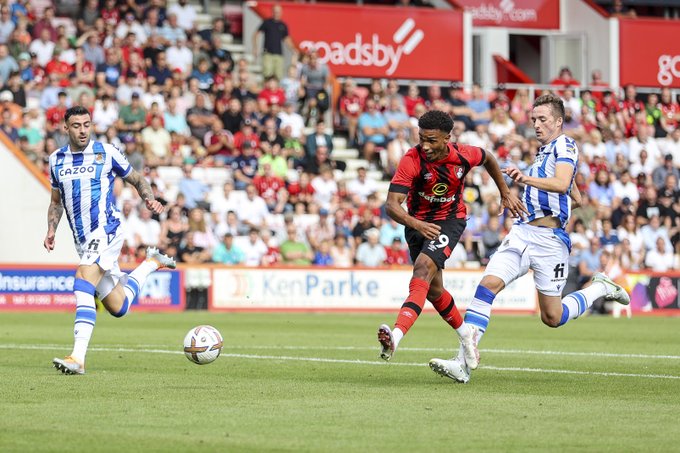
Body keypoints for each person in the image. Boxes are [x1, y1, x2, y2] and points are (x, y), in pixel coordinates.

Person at [441, 94, 631, 383]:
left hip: (550, 242)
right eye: (533, 120)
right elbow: (574, 195)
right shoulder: (544, 152)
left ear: (558, 121)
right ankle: (462, 363)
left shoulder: (565, 145)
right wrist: (538, 204)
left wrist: (525, 180)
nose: (537, 125)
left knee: (552, 317)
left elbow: (562, 184)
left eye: (543, 119)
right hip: (522, 232)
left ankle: (599, 288)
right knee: (487, 286)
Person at [376, 109, 526, 369]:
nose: (425, 145)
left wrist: (504, 192)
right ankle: (466, 335)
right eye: (421, 138)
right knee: (434, 291)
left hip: (449, 221)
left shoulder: (463, 155)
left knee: (422, 269)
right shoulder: (412, 159)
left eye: (431, 140)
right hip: (418, 225)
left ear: (447, 138)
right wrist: (417, 224)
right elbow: (391, 205)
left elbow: (489, 158)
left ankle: (396, 337)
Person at [44, 106, 176, 375]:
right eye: (77, 125)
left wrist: (149, 197)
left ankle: (78, 358)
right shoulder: (56, 159)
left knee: (82, 279)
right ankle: (151, 263)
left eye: (87, 124)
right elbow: (55, 203)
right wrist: (51, 230)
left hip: (106, 229)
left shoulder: (107, 152)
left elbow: (137, 179)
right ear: (65, 128)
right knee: (119, 307)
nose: (83, 130)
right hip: (83, 239)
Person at [252, 4, 296, 81]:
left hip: (279, 54)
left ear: (281, 12)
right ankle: (266, 93)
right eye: (275, 11)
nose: (276, 13)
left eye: (278, 11)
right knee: (267, 75)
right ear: (272, 12)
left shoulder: (283, 25)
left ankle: (277, 93)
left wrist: (294, 50)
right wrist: (255, 48)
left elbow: (286, 39)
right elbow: (256, 34)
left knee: (279, 76)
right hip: (267, 53)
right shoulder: (267, 22)